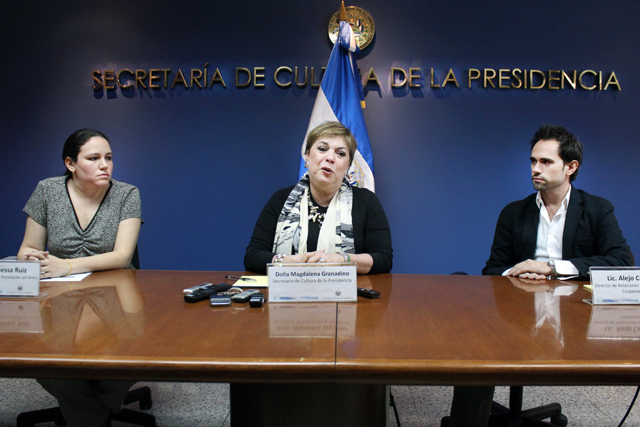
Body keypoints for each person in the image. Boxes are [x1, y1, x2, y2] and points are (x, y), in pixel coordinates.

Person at [449, 124, 634, 427]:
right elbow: (492, 269)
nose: (535, 169)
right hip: (516, 314)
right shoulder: (514, 212)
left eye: (546, 162)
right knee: (473, 351)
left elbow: (621, 262)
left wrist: (550, 268)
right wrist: (519, 272)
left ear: (571, 167)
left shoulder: (597, 210)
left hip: (575, 317)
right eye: (533, 161)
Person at [17, 128, 143, 427]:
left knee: (131, 347)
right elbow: (28, 248)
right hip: (59, 296)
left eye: (109, 158)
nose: (105, 165)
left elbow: (122, 256)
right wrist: (31, 257)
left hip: (117, 294)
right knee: (44, 354)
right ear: (70, 163)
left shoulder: (127, 193)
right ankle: (97, 411)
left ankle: (84, 414)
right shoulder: (47, 190)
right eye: (94, 158)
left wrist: (68, 266)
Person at [244, 121, 392, 275]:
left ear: (348, 166)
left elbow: (383, 259)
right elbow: (253, 257)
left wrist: (341, 260)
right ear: (307, 156)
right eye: (322, 149)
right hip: (286, 294)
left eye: (340, 153)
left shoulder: (366, 201)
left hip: (345, 296)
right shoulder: (281, 200)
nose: (330, 158)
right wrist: (292, 262)